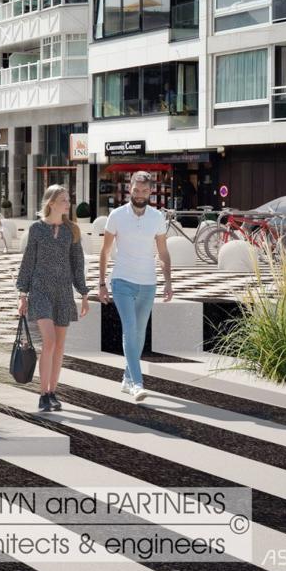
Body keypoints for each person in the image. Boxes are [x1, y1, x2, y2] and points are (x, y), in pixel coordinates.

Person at [98, 171, 174, 400]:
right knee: (130, 328)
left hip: (148, 283)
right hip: (122, 280)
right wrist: (101, 283)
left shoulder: (157, 218)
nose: (139, 194)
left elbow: (163, 251)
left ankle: (126, 378)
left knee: (139, 333)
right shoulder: (117, 216)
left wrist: (169, 281)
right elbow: (105, 251)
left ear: (150, 191)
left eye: (144, 190)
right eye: (136, 190)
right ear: (129, 188)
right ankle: (137, 383)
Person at [16, 184, 89, 412]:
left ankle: (52, 392)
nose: (68, 204)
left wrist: (84, 294)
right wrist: (22, 294)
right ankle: (42, 393)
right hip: (40, 291)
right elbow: (28, 262)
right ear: (51, 203)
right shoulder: (36, 229)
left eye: (69, 200)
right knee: (49, 341)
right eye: (64, 200)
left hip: (63, 292)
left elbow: (78, 265)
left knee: (59, 346)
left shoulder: (72, 230)